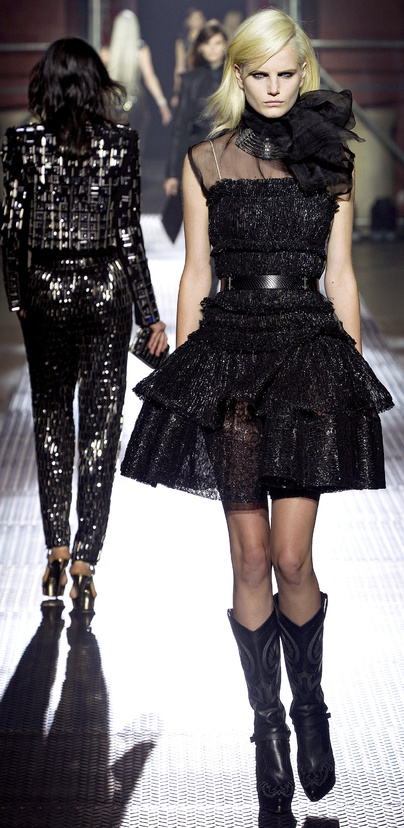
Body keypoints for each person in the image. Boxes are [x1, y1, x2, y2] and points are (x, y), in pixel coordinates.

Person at [121, 8, 393, 815]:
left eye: (286, 74)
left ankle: (311, 707)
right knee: (248, 560)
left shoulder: (331, 161)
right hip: (232, 356)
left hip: (308, 358)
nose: (274, 89)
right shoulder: (206, 159)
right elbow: (196, 271)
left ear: (302, 72)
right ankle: (266, 725)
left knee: (293, 559)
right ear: (237, 76)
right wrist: (183, 361)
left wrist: (349, 376)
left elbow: (341, 274)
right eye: (259, 75)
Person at [0, 38, 168, 613]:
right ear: (98, 84)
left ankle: (54, 546)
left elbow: (10, 229)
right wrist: (149, 314)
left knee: (50, 419)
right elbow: (128, 234)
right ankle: (85, 560)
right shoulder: (120, 143)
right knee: (101, 427)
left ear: (44, 84)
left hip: (45, 290)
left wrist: (18, 298)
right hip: (104, 291)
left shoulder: (22, 142)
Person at [163, 21, 227, 253]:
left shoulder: (236, 78)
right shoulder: (190, 81)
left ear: (225, 45)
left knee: (225, 224)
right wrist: (172, 173)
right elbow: (179, 128)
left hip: (229, 156)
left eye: (217, 43)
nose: (213, 49)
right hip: (199, 156)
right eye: (207, 44)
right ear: (199, 47)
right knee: (201, 225)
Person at [102, 9, 172, 137]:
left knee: (112, 138)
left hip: (112, 101)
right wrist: (162, 104)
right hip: (135, 101)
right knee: (135, 141)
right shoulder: (141, 51)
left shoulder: (106, 53)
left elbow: (98, 80)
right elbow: (150, 78)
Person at [171, 6, 207, 107]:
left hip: (207, 80)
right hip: (190, 82)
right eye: (193, 17)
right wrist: (176, 92)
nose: (196, 20)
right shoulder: (182, 41)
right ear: (187, 21)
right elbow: (179, 66)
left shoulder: (208, 39)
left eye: (199, 17)